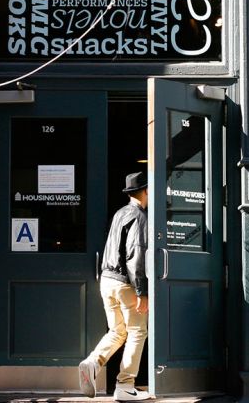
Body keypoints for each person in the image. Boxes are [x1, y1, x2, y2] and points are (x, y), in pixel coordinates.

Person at [78, 171, 151, 401]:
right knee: (137, 331)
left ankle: (93, 362)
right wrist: (142, 292)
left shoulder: (120, 213)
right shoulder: (140, 217)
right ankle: (125, 385)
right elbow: (136, 255)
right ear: (146, 191)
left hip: (107, 280)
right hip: (125, 282)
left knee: (117, 331)